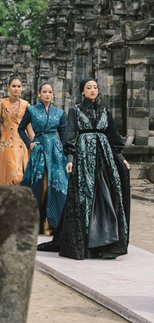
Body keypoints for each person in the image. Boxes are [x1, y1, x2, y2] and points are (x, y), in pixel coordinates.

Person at [37, 78, 131, 260]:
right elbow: (70, 134)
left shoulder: (105, 110)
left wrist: (121, 158)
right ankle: (87, 242)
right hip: (84, 158)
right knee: (86, 197)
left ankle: (107, 242)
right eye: (89, 88)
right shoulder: (75, 110)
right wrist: (70, 158)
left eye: (95, 87)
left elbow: (113, 137)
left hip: (104, 159)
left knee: (107, 195)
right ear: (83, 91)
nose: (93, 90)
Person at [18, 83, 68, 235]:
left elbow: (65, 134)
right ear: (39, 94)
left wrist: (68, 154)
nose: (47, 94)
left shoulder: (59, 113)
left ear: (53, 95)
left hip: (56, 152)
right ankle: (37, 221)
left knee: (59, 185)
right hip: (39, 150)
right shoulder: (32, 110)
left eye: (50, 92)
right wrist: (29, 143)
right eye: (44, 92)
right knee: (41, 185)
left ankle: (51, 222)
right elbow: (21, 128)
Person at [0, 75, 33, 185]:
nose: (16, 88)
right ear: (8, 87)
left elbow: (29, 128)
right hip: (6, 144)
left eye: (19, 86)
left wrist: (34, 143)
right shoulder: (2, 103)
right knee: (8, 174)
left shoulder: (26, 105)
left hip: (21, 143)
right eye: (13, 86)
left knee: (20, 176)